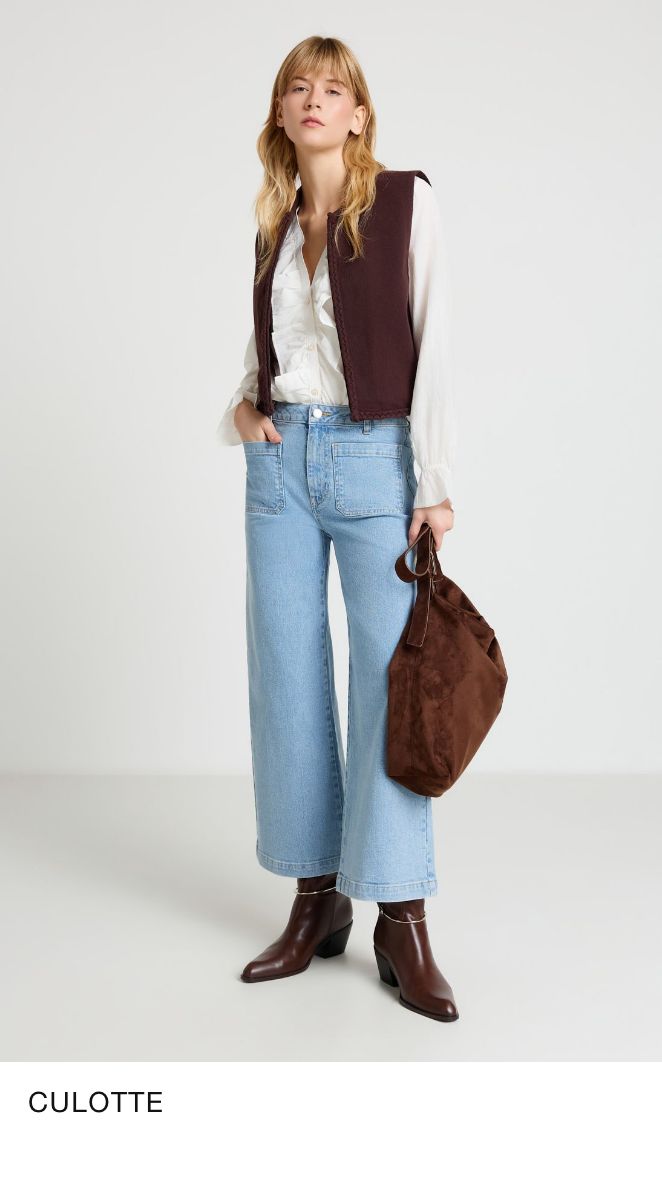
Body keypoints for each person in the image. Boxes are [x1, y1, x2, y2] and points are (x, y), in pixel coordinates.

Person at [217, 36, 459, 1022]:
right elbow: (269, 354)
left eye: (332, 88)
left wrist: (432, 481)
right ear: (281, 114)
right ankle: (316, 899)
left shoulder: (404, 202)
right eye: (296, 88)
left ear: (358, 114)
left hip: (373, 460)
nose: (312, 100)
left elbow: (434, 341)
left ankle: (400, 915)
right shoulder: (274, 224)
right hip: (281, 465)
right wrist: (242, 412)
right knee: (285, 678)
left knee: (389, 681)